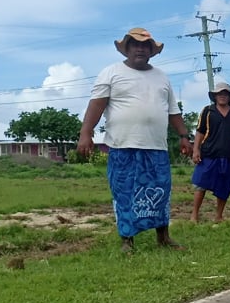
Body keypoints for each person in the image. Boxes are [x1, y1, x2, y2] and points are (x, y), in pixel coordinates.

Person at [77, 27, 191, 252]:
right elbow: (96, 105)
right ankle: (127, 241)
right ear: (126, 48)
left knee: (161, 190)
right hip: (123, 146)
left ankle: (163, 237)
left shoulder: (162, 77)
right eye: (135, 44)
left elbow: (173, 111)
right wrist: (85, 133)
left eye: (145, 45)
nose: (140, 48)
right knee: (125, 191)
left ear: (151, 50)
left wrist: (184, 136)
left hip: (156, 147)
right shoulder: (110, 73)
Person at [190, 82, 230, 223]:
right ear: (215, 96)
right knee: (201, 184)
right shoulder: (208, 111)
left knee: (225, 186)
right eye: (219, 94)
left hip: (228, 156)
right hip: (209, 154)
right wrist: (196, 150)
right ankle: (194, 215)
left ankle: (219, 216)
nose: (222, 96)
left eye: (225, 94)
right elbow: (200, 131)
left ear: (229, 97)